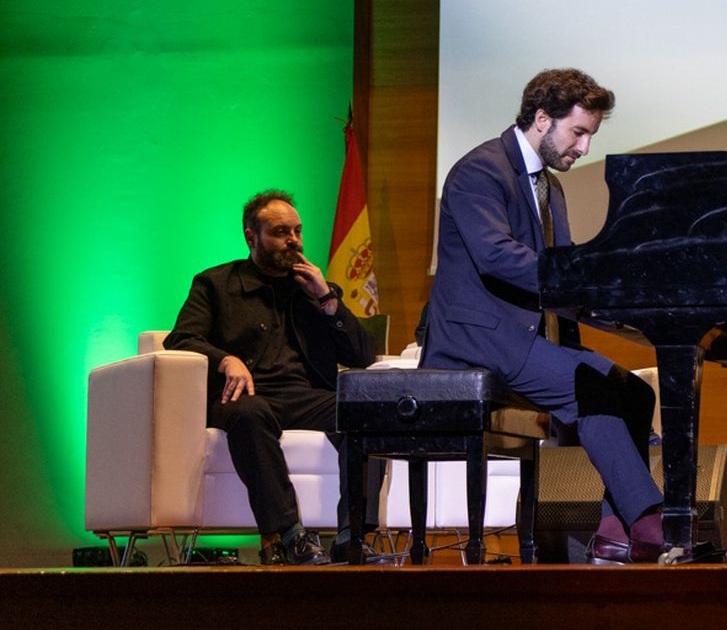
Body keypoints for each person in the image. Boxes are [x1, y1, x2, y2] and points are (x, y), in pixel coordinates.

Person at [422, 67, 661, 565]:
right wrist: (588, 281)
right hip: (478, 337)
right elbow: (496, 257)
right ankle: (646, 520)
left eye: (591, 135)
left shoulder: (551, 187)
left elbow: (565, 275)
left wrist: (619, 306)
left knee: (635, 391)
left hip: (525, 337)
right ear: (541, 118)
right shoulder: (479, 171)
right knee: (590, 388)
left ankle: (617, 527)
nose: (584, 147)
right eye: (579, 132)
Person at [165, 190, 379, 565]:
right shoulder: (215, 285)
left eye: (297, 231)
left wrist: (327, 298)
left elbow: (361, 356)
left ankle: (352, 535)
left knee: (367, 412)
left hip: (304, 397)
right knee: (250, 414)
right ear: (251, 237)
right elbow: (180, 339)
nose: (293, 241)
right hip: (243, 397)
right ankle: (290, 534)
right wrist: (225, 359)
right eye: (280, 232)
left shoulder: (314, 289)